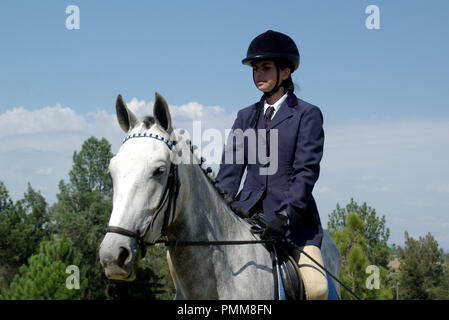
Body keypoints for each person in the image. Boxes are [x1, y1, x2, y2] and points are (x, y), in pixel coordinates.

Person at [216, 30, 328, 300]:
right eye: (255, 69)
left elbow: (305, 172)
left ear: (286, 71)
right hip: (246, 217)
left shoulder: (307, 115)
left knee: (316, 288)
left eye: (265, 68)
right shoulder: (245, 117)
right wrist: (220, 209)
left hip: (294, 223)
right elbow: (229, 173)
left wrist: (286, 216)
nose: (258, 75)